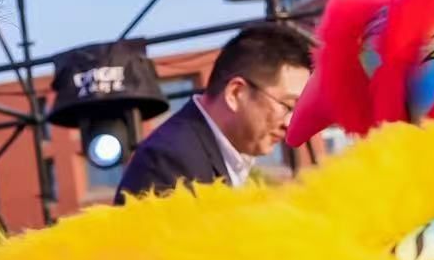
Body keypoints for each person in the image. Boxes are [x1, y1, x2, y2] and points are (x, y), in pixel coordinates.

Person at [114, 21, 314, 201]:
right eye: (288, 106)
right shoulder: (168, 163)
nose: (290, 124)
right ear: (236, 93)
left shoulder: (221, 153)